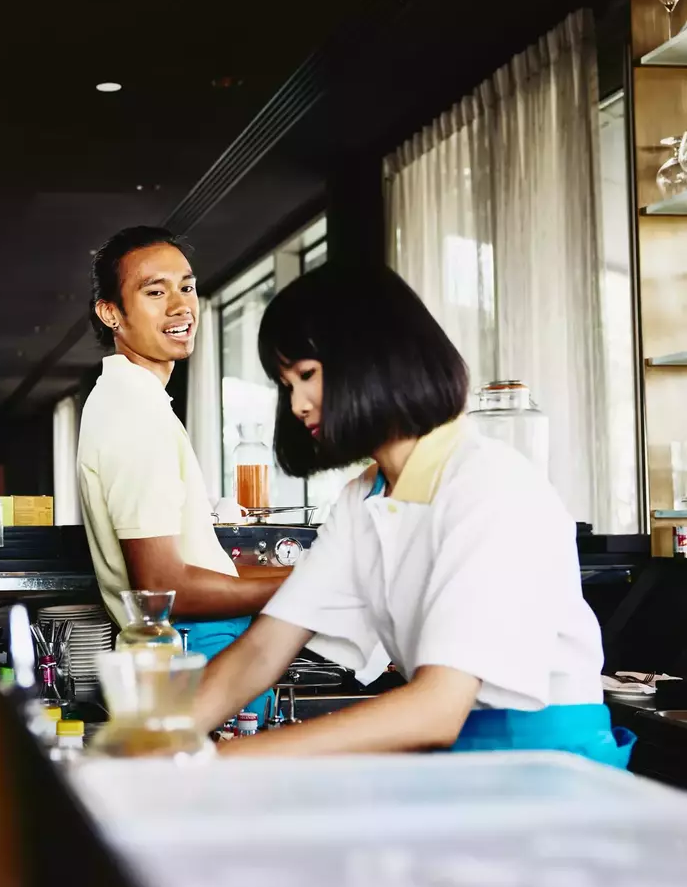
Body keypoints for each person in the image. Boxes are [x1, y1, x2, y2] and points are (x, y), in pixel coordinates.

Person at [192, 258, 634, 767]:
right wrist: (159, 740)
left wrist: (220, 763)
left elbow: (435, 709)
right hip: (467, 765)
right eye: (287, 384)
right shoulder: (366, 497)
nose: (297, 404)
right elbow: (263, 649)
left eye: (308, 375)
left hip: (546, 766)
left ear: (373, 357)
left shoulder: (489, 486)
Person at [77, 226, 281, 719]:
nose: (180, 306)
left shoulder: (134, 400)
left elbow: (200, 564)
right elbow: (163, 587)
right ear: (111, 313)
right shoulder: (133, 411)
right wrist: (313, 584)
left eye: (186, 287)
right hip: (192, 656)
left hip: (188, 655)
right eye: (154, 291)